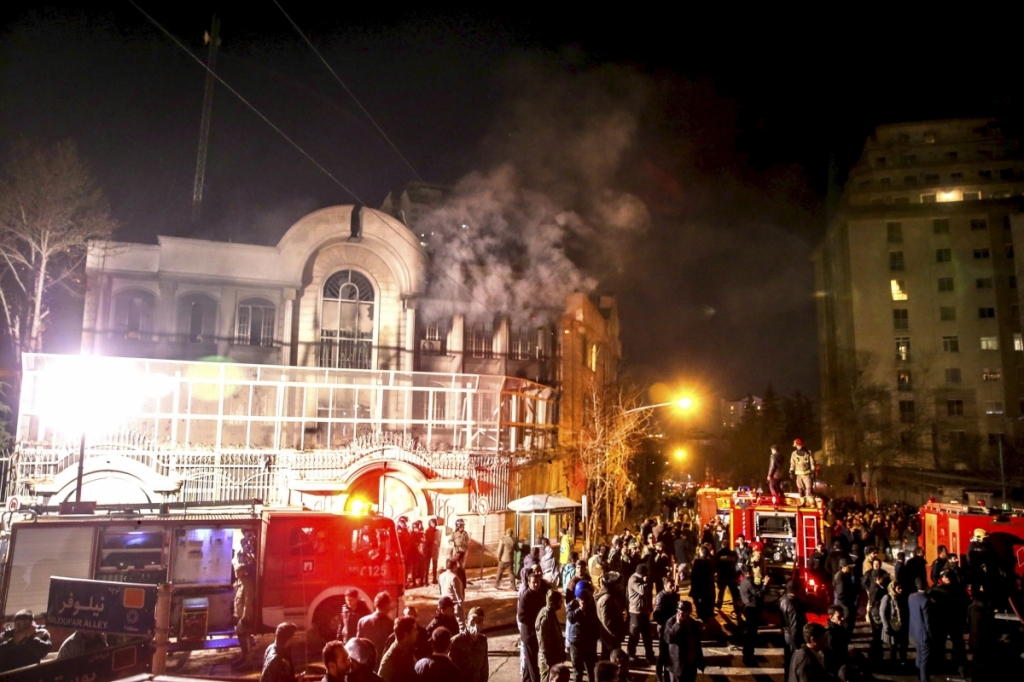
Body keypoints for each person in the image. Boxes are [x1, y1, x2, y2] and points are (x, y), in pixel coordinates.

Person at [233, 531, 257, 668]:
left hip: (244, 616)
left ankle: (247, 661)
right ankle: (243, 657)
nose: (236, 573)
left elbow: (248, 599)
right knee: (241, 636)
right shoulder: (240, 581)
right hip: (240, 614)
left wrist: (245, 617)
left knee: (245, 636)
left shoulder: (247, 582)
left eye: (238, 570)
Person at [566, 582, 599, 682]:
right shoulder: (573, 604)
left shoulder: (592, 603)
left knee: (591, 669)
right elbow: (571, 618)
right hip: (577, 641)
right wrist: (580, 609)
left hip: (589, 641)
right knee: (578, 670)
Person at [663, 601, 704, 682]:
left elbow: (697, 644)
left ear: (688, 612)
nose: (680, 615)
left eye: (683, 612)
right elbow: (668, 638)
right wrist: (678, 624)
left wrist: (700, 661)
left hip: (691, 664)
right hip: (677, 665)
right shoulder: (671, 622)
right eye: (678, 611)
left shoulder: (693, 624)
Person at [519, 570, 548, 682]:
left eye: (537, 582)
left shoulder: (539, 594)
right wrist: (535, 622)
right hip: (529, 635)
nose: (536, 584)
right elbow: (522, 616)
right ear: (529, 582)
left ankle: (526, 679)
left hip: (536, 634)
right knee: (532, 663)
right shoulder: (525, 597)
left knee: (529, 662)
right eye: (533, 582)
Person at [626, 563, 655, 664]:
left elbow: (648, 594)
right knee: (634, 634)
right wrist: (646, 582)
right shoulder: (633, 579)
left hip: (644, 611)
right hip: (636, 612)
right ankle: (630, 654)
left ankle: (650, 654)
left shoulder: (641, 579)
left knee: (647, 634)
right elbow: (642, 591)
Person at [449, 607, 488, 682]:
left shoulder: (482, 641)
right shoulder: (456, 641)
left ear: (483, 624)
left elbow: (484, 667)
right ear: (466, 622)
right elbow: (450, 670)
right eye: (473, 621)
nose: (475, 625)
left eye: (479, 622)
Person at [653, 577, 680, 682]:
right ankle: (659, 676)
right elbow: (656, 614)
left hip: (671, 627)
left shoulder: (673, 595)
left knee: (670, 653)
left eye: (673, 585)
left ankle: (668, 675)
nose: (673, 587)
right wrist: (665, 623)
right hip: (664, 628)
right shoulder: (661, 597)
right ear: (665, 586)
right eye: (670, 586)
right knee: (663, 653)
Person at [738, 565, 767, 663]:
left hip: (747, 608)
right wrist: (765, 585)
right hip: (752, 609)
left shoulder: (742, 582)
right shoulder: (749, 582)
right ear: (748, 573)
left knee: (750, 632)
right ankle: (748, 654)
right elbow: (758, 593)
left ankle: (748, 652)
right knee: (752, 633)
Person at [536, 589, 566, 682]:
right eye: (560, 601)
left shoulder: (551, 613)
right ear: (554, 603)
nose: (562, 603)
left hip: (554, 657)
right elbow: (543, 643)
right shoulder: (545, 618)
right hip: (548, 660)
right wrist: (548, 662)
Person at [779, 581, 806, 678]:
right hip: (793, 638)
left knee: (788, 662)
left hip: (787, 636)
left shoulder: (783, 600)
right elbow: (795, 625)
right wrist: (797, 644)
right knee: (793, 663)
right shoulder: (793, 604)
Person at [595, 572, 625, 659]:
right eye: (619, 584)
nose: (621, 586)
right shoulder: (606, 599)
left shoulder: (611, 597)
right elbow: (607, 622)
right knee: (613, 658)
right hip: (610, 636)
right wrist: (617, 633)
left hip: (610, 635)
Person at [358, 591, 395, 661]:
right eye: (389, 604)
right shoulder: (390, 624)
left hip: (366, 661)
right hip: (382, 661)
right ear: (386, 605)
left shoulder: (362, 621)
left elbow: (359, 644)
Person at [907, 577, 932, 682]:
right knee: (925, 659)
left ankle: (918, 674)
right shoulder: (925, 600)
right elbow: (927, 621)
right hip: (924, 634)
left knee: (919, 655)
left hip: (914, 631)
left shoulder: (911, 597)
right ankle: (924, 679)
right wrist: (930, 634)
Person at [379, 616, 418, 682]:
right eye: (414, 629)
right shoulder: (389, 660)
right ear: (406, 635)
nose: (417, 632)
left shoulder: (408, 649)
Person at [879, 580, 907, 664]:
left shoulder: (901, 598)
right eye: (899, 588)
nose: (901, 590)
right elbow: (882, 612)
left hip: (900, 625)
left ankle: (903, 661)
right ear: (893, 589)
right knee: (893, 646)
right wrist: (886, 627)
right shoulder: (887, 597)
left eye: (901, 588)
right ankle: (893, 663)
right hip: (892, 626)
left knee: (903, 645)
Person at [688, 546, 715, 621]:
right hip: (707, 584)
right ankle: (706, 614)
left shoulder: (697, 561)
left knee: (697, 600)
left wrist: (692, 584)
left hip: (698, 583)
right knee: (706, 599)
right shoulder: (710, 561)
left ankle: (700, 613)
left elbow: (693, 574)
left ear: (701, 552)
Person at [438, 558, 466, 627]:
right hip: (454, 606)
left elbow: (441, 591)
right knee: (461, 626)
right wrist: (462, 609)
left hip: (445, 606)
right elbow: (459, 596)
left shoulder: (441, 576)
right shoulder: (454, 578)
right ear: (454, 566)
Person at [425, 518, 442, 584]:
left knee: (435, 565)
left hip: (434, 550)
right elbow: (426, 540)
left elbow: (438, 540)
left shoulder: (437, 531)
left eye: (434, 523)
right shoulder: (427, 531)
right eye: (432, 523)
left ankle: (434, 579)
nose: (433, 524)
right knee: (427, 566)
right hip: (428, 549)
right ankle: (426, 580)